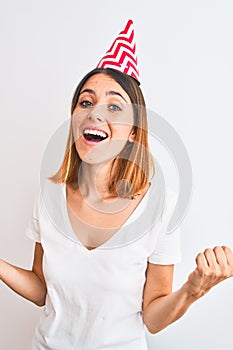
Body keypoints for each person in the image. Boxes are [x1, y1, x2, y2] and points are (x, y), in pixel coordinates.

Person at [0, 20, 233, 350]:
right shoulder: (49, 196)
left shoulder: (160, 206)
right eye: (86, 102)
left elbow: (152, 318)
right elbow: (41, 289)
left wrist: (194, 288)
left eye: (114, 106)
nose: (95, 113)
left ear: (134, 131)